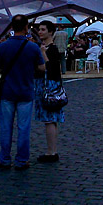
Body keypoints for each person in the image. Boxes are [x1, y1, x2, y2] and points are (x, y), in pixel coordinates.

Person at [0, 15, 45, 171]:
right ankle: (22, 160)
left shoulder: (3, 47)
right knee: (23, 128)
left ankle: (4, 159)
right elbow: (42, 68)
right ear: (26, 27)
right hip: (26, 92)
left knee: (6, 127)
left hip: (7, 91)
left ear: (12, 28)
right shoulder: (33, 47)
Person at [34, 20, 64, 163]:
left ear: (50, 32)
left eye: (43, 29)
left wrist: (42, 54)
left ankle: (51, 152)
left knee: (49, 120)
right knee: (51, 120)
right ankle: (52, 151)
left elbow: (49, 68)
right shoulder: (46, 47)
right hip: (50, 86)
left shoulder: (51, 49)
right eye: (39, 29)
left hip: (48, 87)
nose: (40, 32)